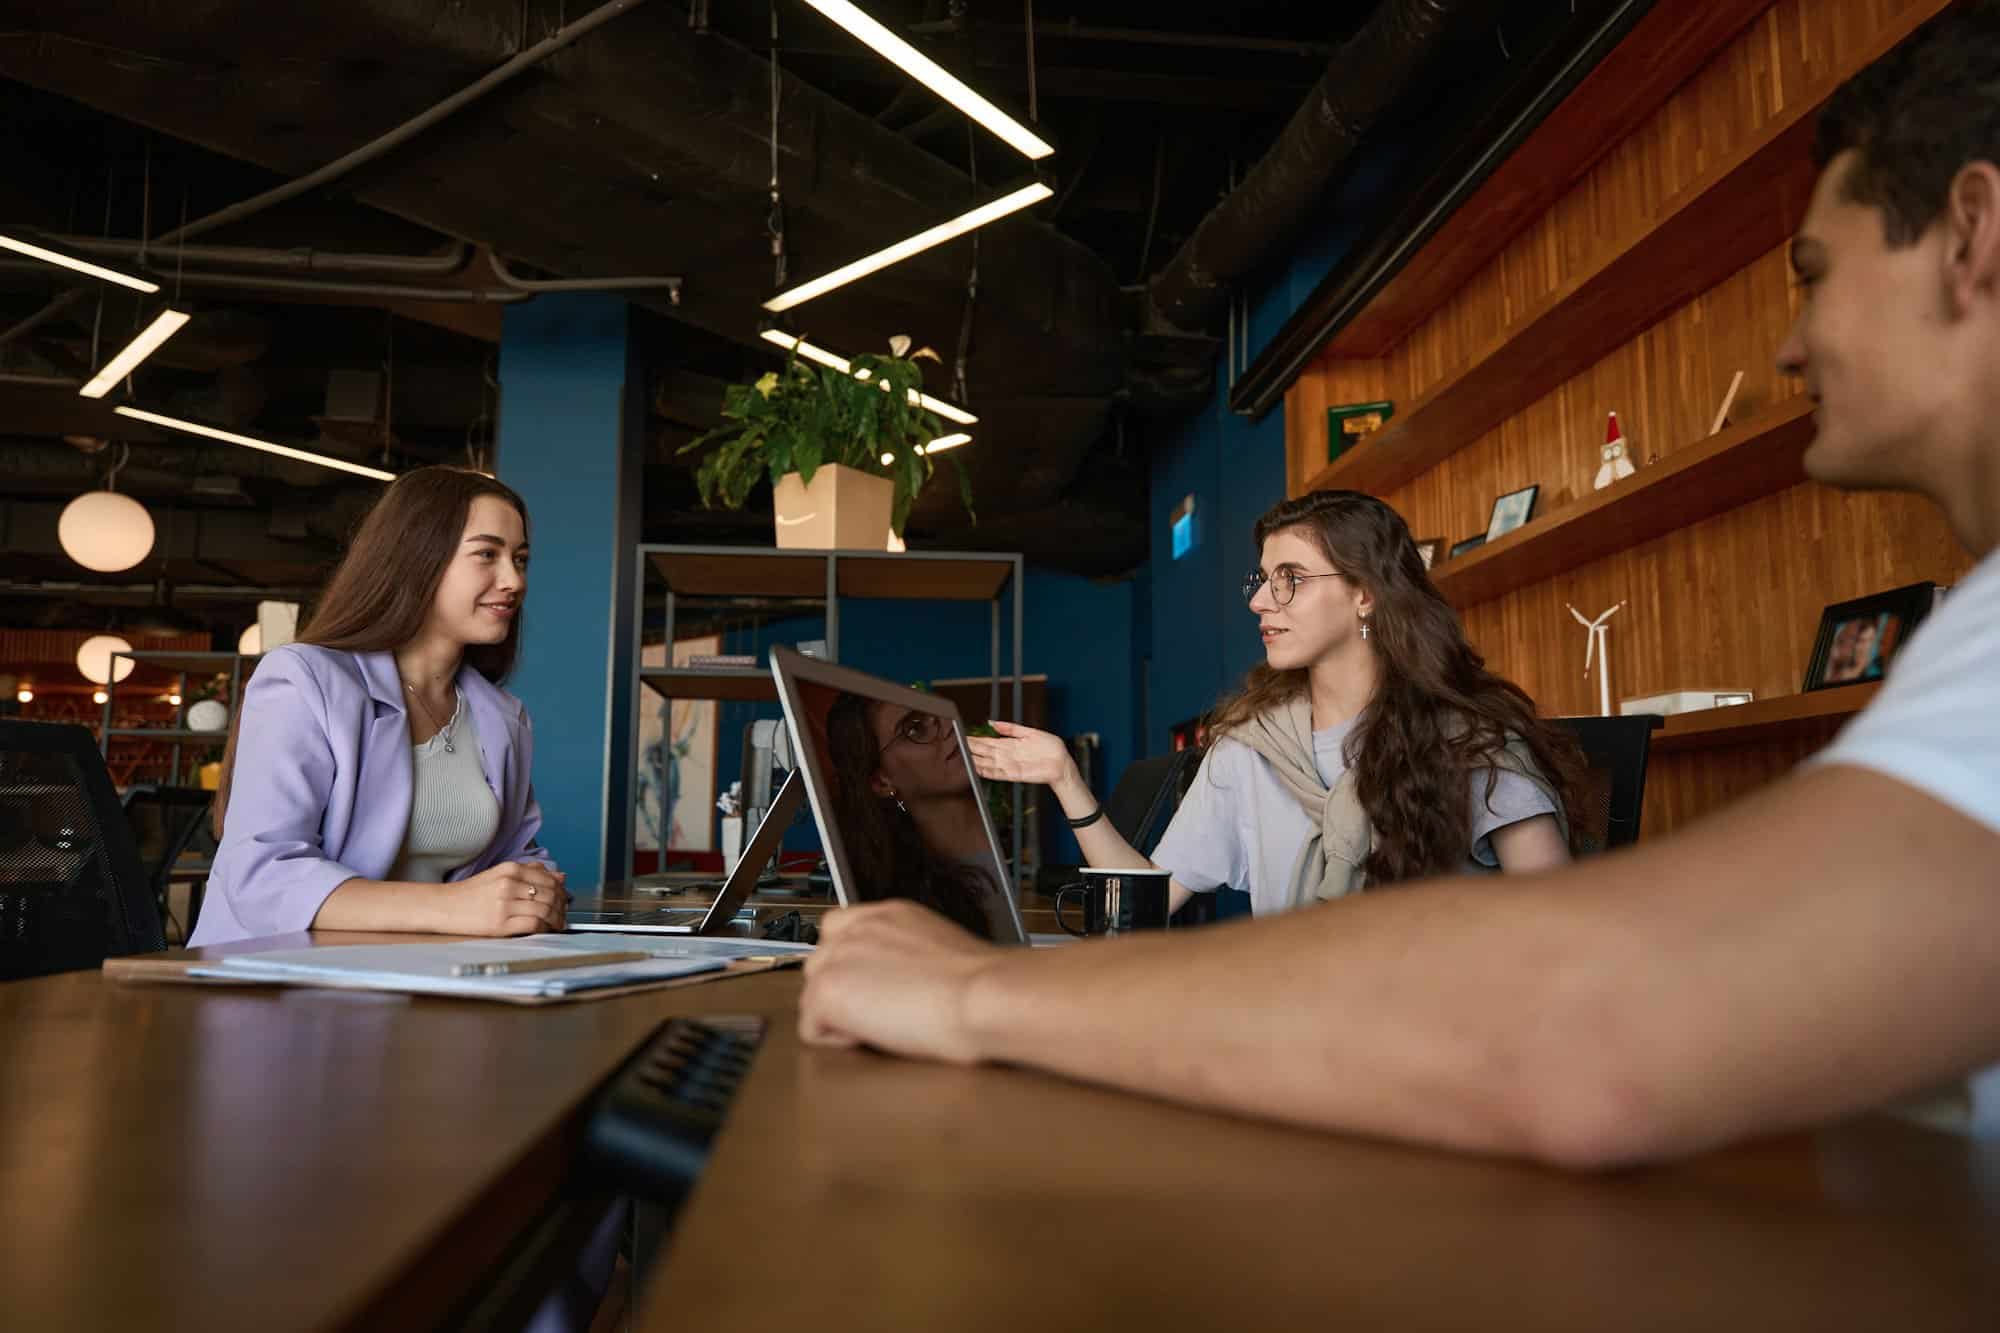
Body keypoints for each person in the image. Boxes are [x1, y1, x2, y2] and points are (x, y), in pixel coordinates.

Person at [798, 2, 2000, 1168]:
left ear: (1970, 232)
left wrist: (971, 996)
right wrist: (1058, 813)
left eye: (1809, 273)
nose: (1788, 343)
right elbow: (1166, 904)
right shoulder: (1244, 746)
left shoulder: (1473, 745)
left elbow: (1577, 1011)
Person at [970, 490, 1585, 919]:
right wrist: (1066, 782)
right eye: (1261, 580)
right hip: (1290, 1030)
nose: (1261, 601)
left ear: (1365, 594)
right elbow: (1148, 902)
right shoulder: (1249, 748)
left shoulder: (1468, 744)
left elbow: (1559, 928)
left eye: (1289, 578)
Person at [191, 466, 566, 946]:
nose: (513, 580)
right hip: (280, 984)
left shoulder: (502, 716)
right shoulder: (304, 679)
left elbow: (518, 858)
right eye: (486, 555)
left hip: (424, 978)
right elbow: (262, 875)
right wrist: (455, 908)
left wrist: (534, 892)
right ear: (418, 559)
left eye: (521, 559)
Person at [823, 691, 1004, 939]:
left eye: (938, 714)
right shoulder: (910, 903)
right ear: (881, 781)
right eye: (914, 729)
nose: (949, 727)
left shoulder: (1012, 844)